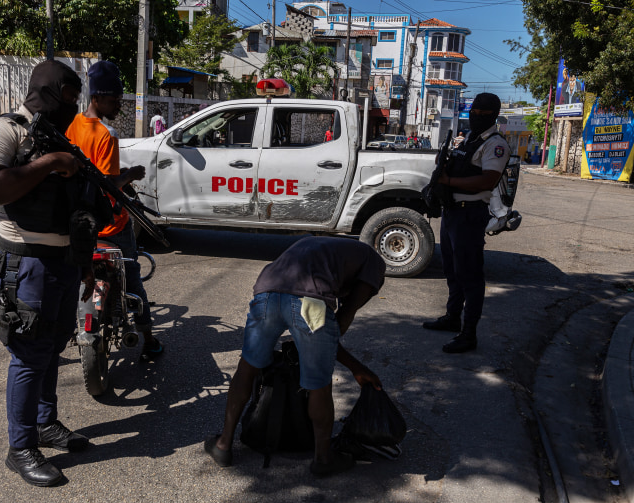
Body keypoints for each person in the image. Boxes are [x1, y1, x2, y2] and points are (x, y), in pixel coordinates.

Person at [0, 60, 92, 487]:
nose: (74, 108)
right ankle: (20, 447)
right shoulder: (2, 129)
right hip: (25, 261)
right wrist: (51, 162)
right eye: (70, 98)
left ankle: (46, 423)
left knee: (53, 346)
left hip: (62, 261)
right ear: (51, 90)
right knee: (28, 354)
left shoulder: (58, 137)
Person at [204, 236, 384, 477]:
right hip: (310, 301)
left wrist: (354, 366)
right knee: (319, 384)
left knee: (247, 367)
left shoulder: (326, 249)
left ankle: (223, 445)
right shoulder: (374, 263)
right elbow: (344, 317)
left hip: (266, 293)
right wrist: (356, 367)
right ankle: (323, 459)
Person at [65, 60, 164, 363]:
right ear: (96, 98)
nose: (118, 105)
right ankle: (148, 341)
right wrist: (132, 174)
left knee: (72, 277)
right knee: (132, 278)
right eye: (114, 100)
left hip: (79, 224)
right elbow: (108, 184)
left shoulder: (73, 126)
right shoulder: (106, 134)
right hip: (110, 226)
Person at [422, 92, 510, 353]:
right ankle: (452, 318)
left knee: (470, 276)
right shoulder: (469, 139)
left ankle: (468, 334)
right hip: (452, 212)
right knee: (452, 271)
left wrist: (448, 181)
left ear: (494, 116)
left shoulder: (496, 144)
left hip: (470, 214)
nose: (476, 118)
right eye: (474, 113)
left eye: (483, 115)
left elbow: (487, 181)